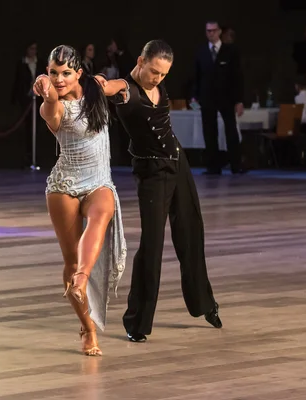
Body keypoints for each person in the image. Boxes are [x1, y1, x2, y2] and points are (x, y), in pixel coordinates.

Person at [95, 40, 222, 342]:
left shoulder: (158, 84)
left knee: (191, 233)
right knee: (152, 246)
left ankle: (204, 304)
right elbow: (106, 87)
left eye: (163, 75)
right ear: (140, 60)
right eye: (153, 72)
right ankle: (137, 322)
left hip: (178, 164)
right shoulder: (126, 87)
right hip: (151, 173)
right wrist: (96, 82)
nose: (157, 79)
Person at [33, 44, 127, 356]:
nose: (59, 79)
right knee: (70, 260)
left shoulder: (95, 91)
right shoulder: (54, 106)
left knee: (102, 214)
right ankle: (87, 329)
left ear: (79, 74)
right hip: (65, 184)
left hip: (99, 182)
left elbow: (124, 84)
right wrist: (47, 93)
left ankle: (82, 279)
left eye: (65, 73)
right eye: (53, 73)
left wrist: (119, 83)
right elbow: (50, 109)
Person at [191, 20, 245, 175]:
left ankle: (236, 163)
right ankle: (213, 165)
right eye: (208, 31)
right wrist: (194, 96)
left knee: (231, 129)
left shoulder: (231, 51)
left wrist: (239, 100)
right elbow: (197, 76)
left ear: (220, 31)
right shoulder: (201, 52)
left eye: (214, 30)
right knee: (209, 131)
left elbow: (237, 77)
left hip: (226, 96)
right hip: (207, 97)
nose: (211, 33)